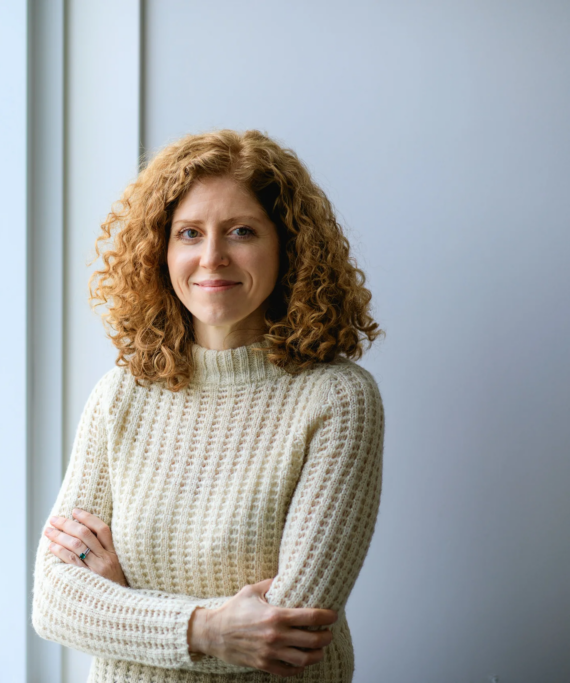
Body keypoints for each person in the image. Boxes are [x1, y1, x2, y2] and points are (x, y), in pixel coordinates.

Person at [30, 129, 385, 682]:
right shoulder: (121, 394)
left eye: (241, 231)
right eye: (189, 233)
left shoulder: (336, 399)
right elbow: (54, 601)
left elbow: (286, 635)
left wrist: (122, 604)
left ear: (288, 244)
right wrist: (207, 628)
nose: (212, 257)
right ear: (160, 250)